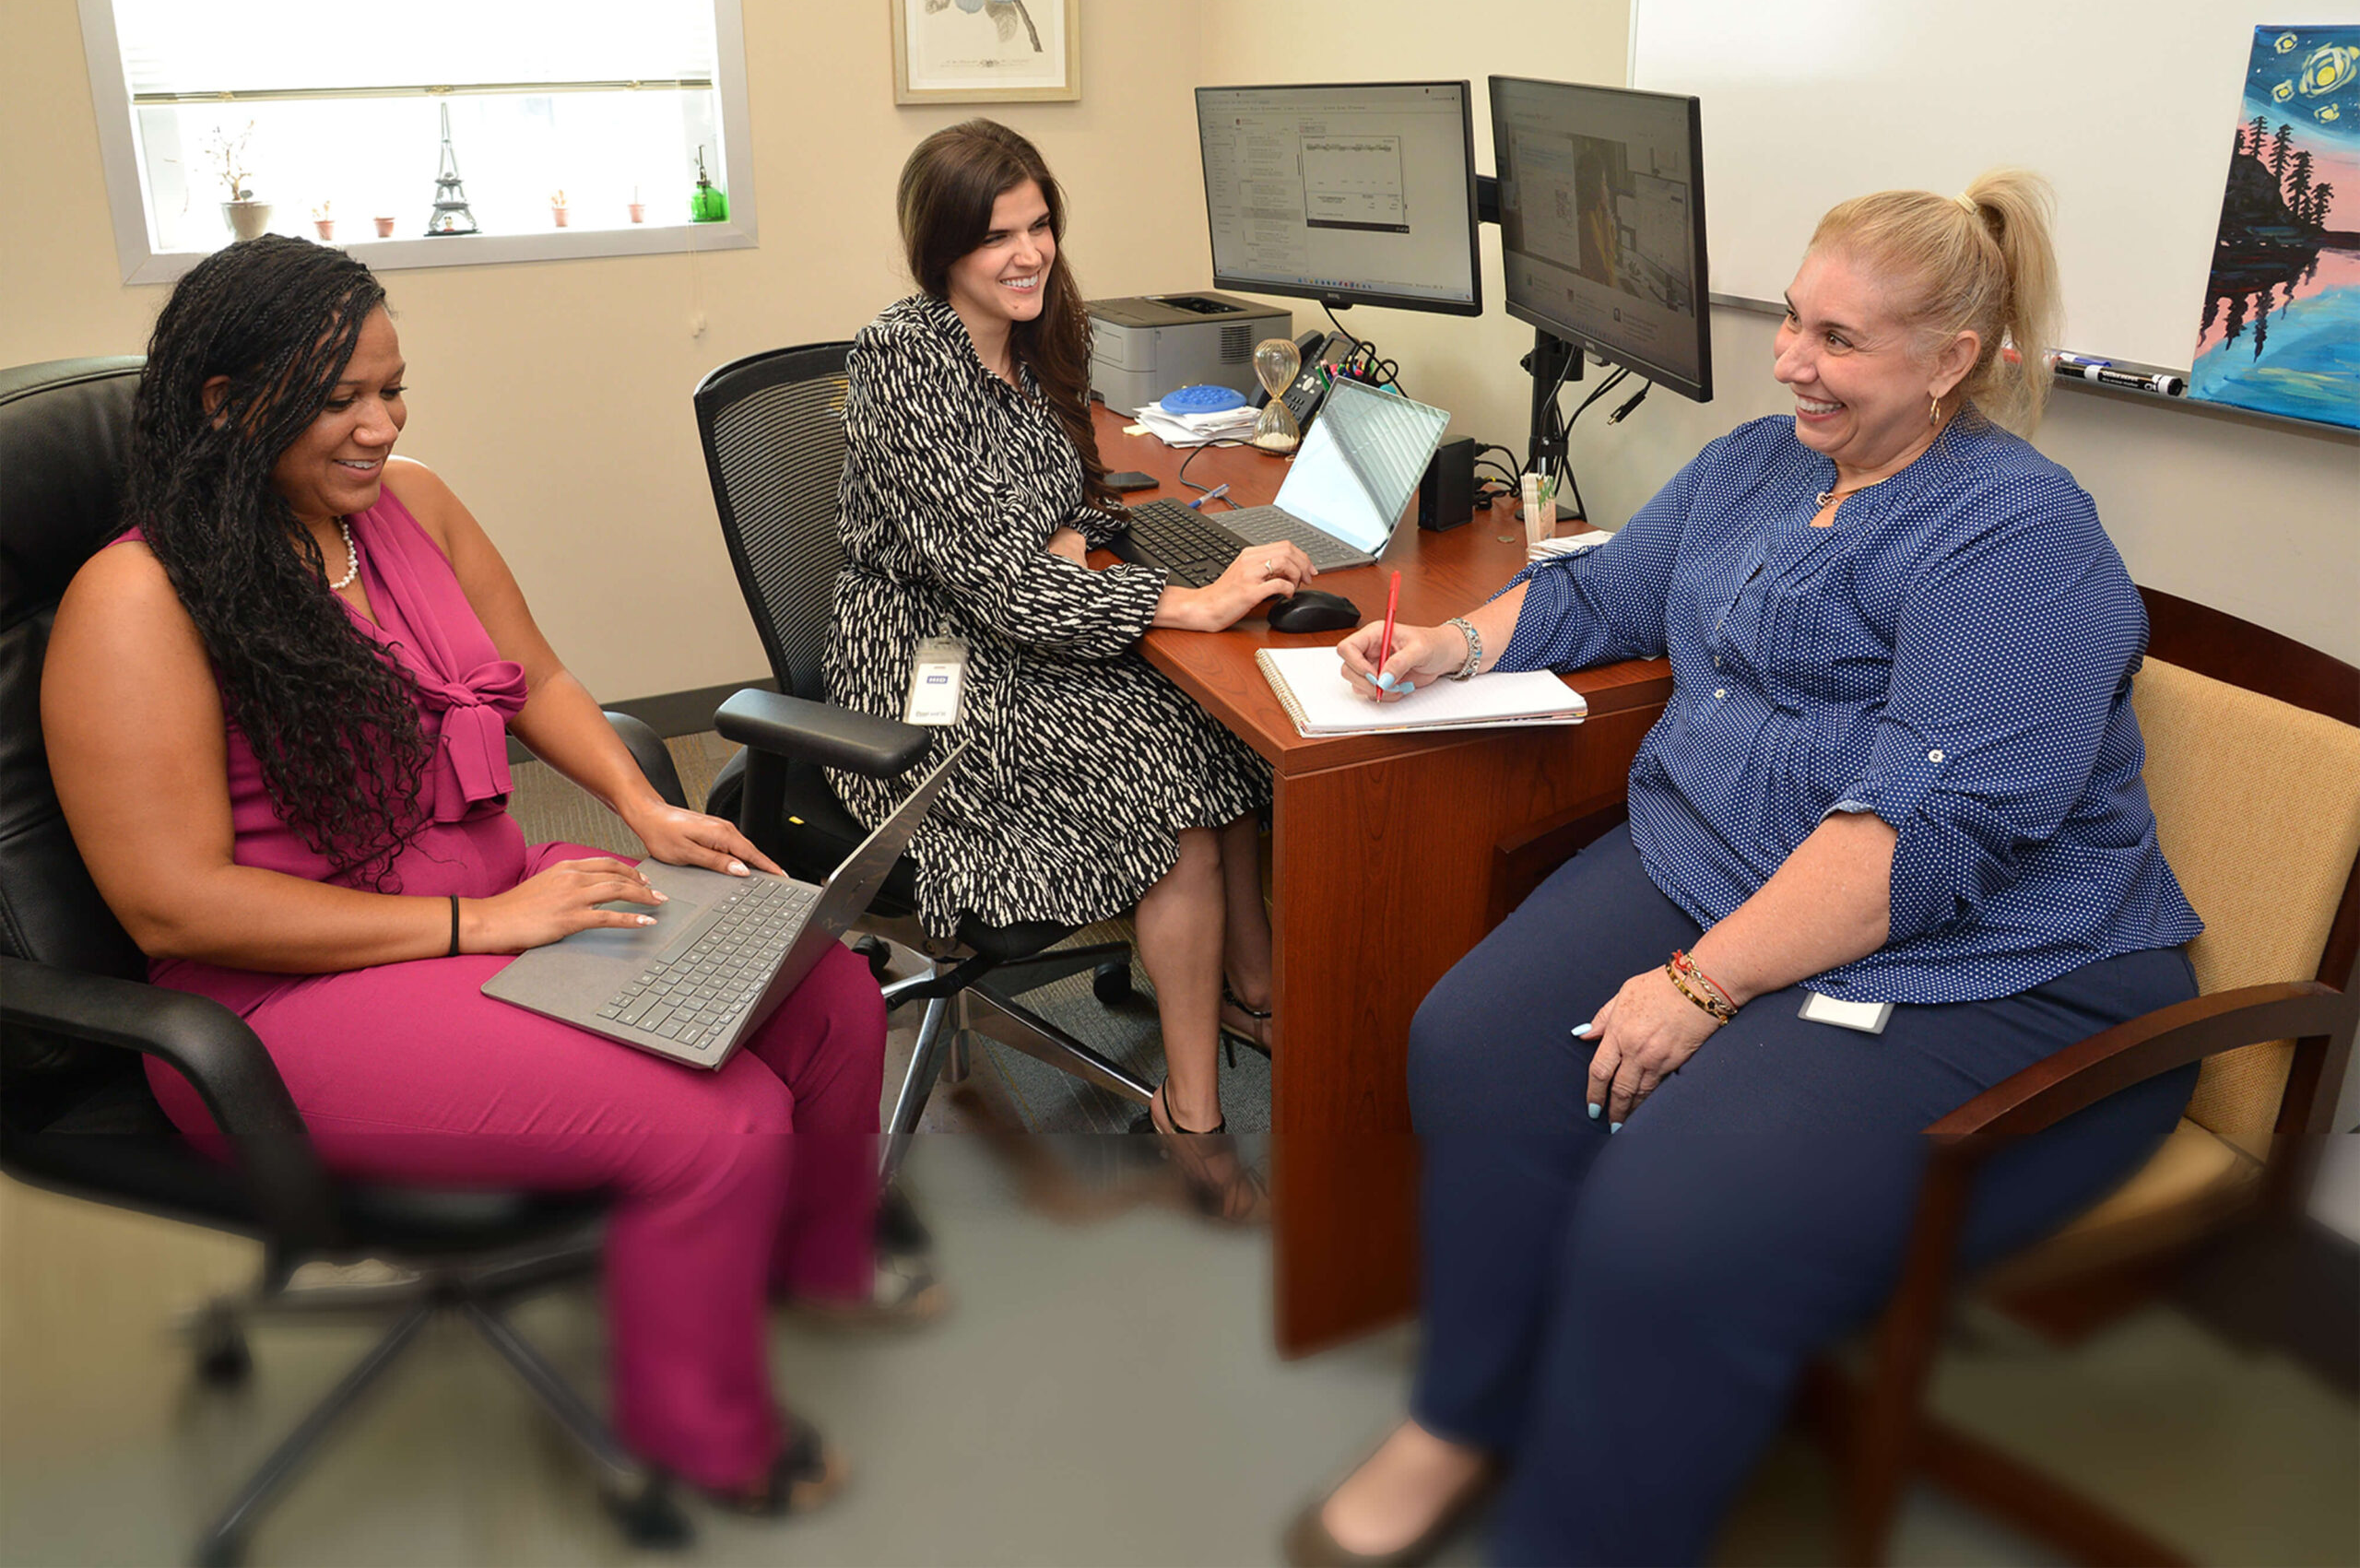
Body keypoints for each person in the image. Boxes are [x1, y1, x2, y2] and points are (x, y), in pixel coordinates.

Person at [1290, 171, 2206, 1565]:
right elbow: (1610, 585)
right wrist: (1447, 648)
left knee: (1670, 1225)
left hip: (1980, 958)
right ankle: (1465, 1418)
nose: (1791, 359)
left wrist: (1701, 989)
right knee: (1472, 1047)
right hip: (1722, 869)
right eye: (1794, 319)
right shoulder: (1764, 459)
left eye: (1838, 340)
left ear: (1953, 360)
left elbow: (1925, 835)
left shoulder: (2020, 537)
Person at [41, 236, 891, 1514]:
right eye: (341, 400)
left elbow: (538, 675)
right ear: (225, 404)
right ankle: (707, 1434)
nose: (381, 426)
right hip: (286, 1000)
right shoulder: (136, 603)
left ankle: (793, 1291)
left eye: (395, 389)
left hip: (497, 899)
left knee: (828, 998)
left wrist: (640, 805)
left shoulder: (413, 507)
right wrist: (480, 920)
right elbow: (172, 901)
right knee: (722, 1125)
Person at [829, 119, 1309, 1188]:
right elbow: (995, 586)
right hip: (924, 664)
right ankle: (1194, 1116)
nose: (1029, 253)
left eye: (1040, 224)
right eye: (998, 235)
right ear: (942, 248)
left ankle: (1254, 990)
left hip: (1024, 621)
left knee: (1212, 733)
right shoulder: (905, 358)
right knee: (1167, 780)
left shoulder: (1045, 331)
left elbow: (1072, 513)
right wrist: (1190, 601)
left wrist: (1075, 544)